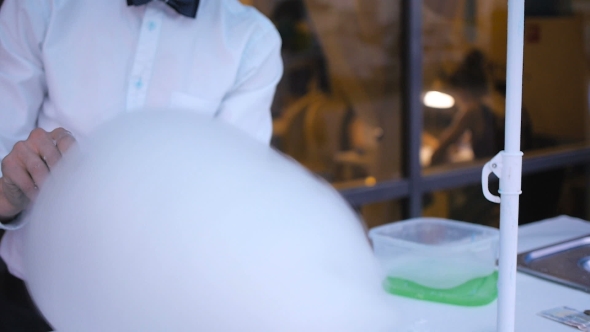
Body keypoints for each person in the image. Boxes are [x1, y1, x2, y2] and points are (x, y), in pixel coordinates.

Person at [0, 0, 282, 330]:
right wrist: (9, 194)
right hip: (30, 299)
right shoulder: (39, 7)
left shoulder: (252, 41)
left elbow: (232, 200)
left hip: (158, 308)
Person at [430, 49, 500, 166]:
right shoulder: (496, 102)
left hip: (489, 176)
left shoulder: (473, 110)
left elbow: (439, 152)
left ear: (462, 91)